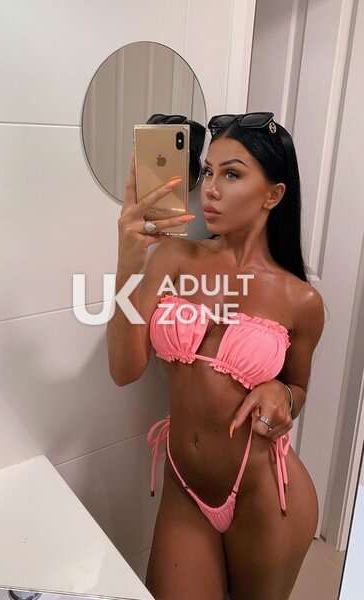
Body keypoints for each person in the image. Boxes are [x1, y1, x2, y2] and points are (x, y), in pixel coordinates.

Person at [107, 112, 325, 600]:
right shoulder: (173, 259)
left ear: (273, 195)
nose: (210, 188)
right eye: (208, 171)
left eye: (231, 174)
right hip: (185, 488)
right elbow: (124, 370)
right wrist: (128, 263)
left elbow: (298, 389)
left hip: (265, 494)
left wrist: (282, 394)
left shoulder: (301, 301)